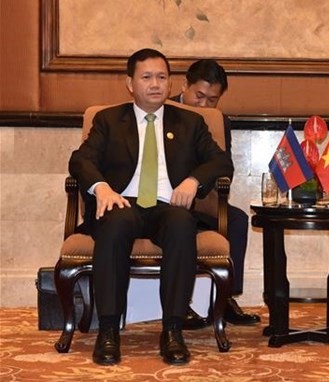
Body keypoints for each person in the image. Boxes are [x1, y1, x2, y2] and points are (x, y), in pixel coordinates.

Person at [69, 48, 234, 366]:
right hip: (120, 202)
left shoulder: (191, 122)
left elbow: (220, 161)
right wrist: (101, 188)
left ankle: (172, 330)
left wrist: (193, 182)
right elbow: (81, 160)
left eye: (162, 77)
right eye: (146, 77)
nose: (155, 84)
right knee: (116, 222)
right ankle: (108, 331)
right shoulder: (108, 120)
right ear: (130, 82)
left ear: (171, 83)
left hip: (167, 205)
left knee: (182, 223)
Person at [170, 59, 260, 327]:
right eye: (199, 96)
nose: (204, 105)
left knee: (237, 219)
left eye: (212, 100)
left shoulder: (220, 122)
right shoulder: (162, 113)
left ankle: (225, 297)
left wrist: (196, 183)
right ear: (185, 85)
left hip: (200, 198)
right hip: (163, 201)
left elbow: (225, 169)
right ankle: (180, 302)